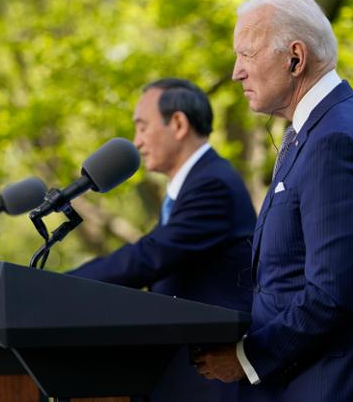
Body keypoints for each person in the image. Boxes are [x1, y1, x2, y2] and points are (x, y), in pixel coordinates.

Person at [194, 0, 353, 401]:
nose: (236, 72)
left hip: (341, 385)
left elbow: (332, 293)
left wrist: (247, 358)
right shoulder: (319, 130)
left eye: (246, 54)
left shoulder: (335, 140)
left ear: (295, 58)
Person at [68, 78, 256, 401]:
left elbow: (151, 256)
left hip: (213, 382)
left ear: (179, 123)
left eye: (142, 127)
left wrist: (65, 286)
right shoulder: (191, 186)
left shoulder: (214, 185)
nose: (137, 142)